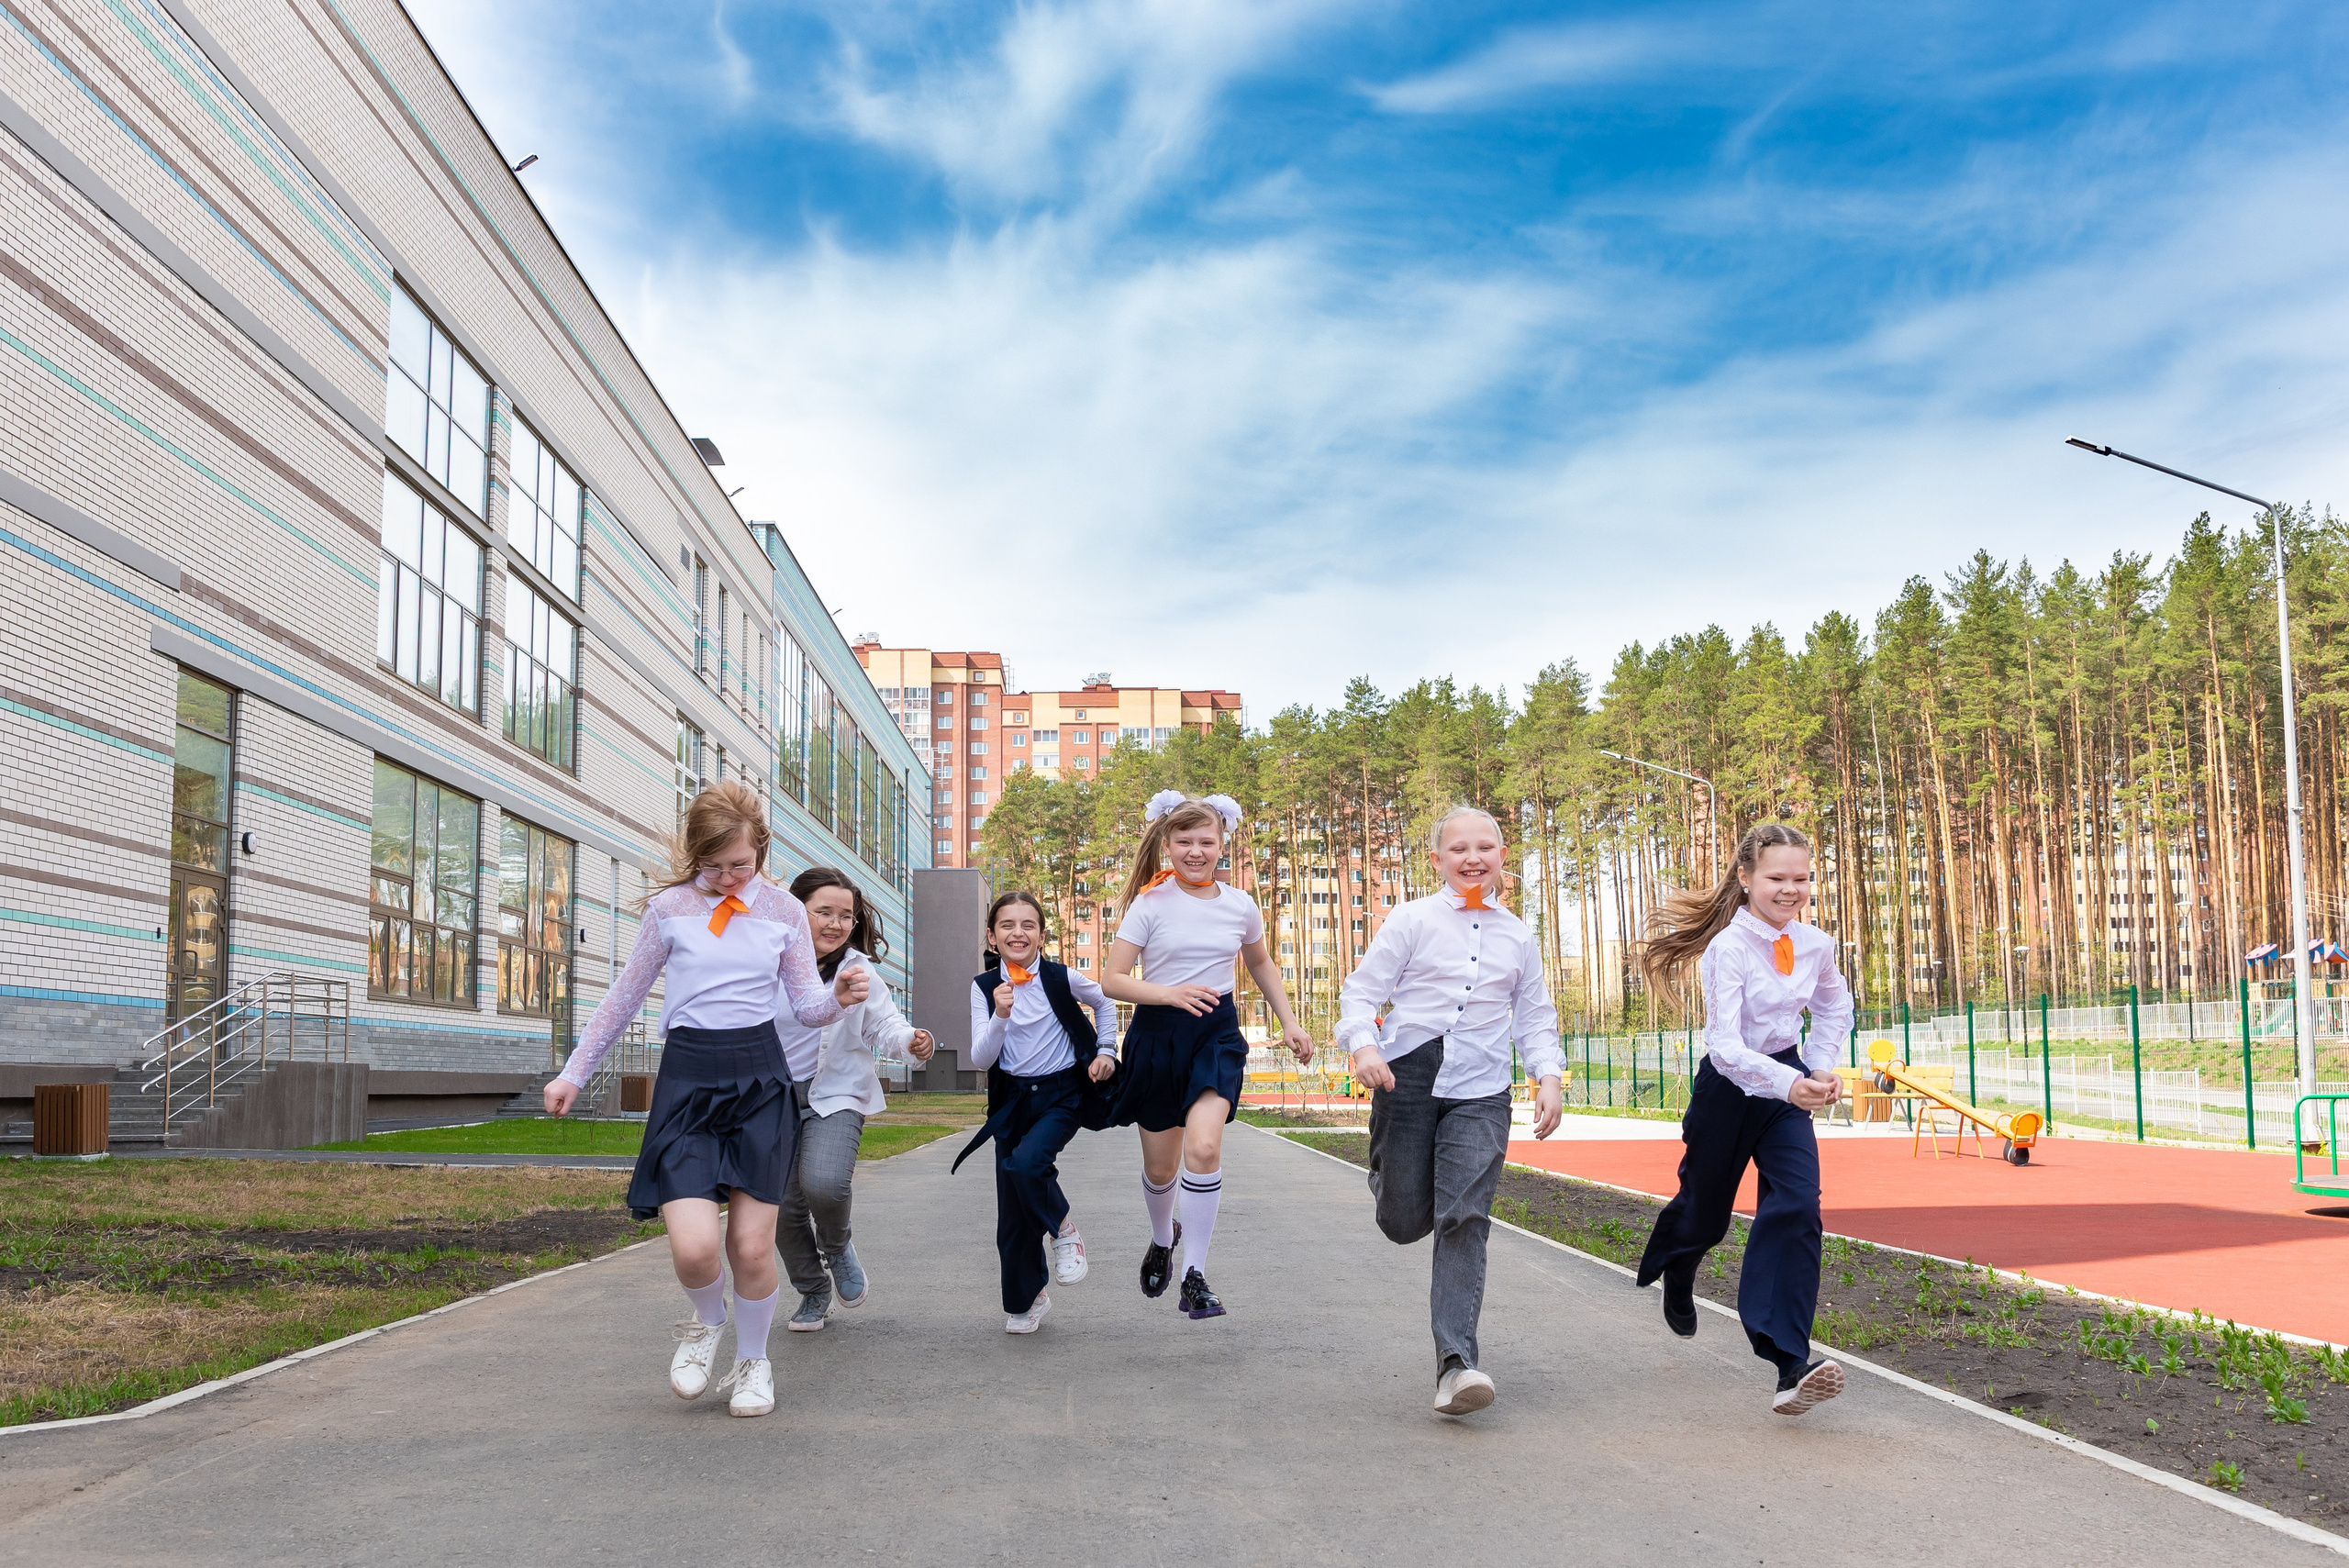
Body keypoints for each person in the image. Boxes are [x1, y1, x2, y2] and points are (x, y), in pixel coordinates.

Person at [545, 782, 868, 1419]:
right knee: (693, 1248)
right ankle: (705, 1321)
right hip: (688, 1084)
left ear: (760, 851)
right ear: (696, 853)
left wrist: (840, 1000)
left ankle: (754, 1361)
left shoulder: (782, 911)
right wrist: (573, 1073)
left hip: (759, 1083)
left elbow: (805, 1005)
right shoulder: (670, 910)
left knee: (750, 1246)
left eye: (739, 865)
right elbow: (623, 998)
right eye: (712, 865)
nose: (725, 878)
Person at [1338, 805, 1564, 1417]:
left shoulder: (1518, 934)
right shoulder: (1411, 920)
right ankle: (1390, 1178)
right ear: (1436, 860)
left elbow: (1536, 1015)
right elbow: (1360, 990)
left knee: (1465, 1215)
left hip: (1483, 1087)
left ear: (1501, 858)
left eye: (1485, 847)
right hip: (1406, 1075)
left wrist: (1549, 1076)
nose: (1472, 857)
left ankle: (1455, 1364)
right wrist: (1363, 1046)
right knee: (1404, 1218)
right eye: (1458, 848)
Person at [1633, 822, 1853, 1417]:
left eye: (1801, 878)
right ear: (1747, 878)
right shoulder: (1729, 948)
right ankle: (1678, 1269)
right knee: (1705, 1215)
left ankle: (1790, 1362)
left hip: (1787, 1085)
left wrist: (1820, 1066)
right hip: (1729, 1087)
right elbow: (1726, 1047)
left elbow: (1836, 1007)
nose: (1790, 889)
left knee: (1798, 1205)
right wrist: (1791, 1081)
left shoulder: (1817, 945)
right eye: (1777, 877)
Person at [1101, 790, 1312, 1319]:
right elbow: (1111, 980)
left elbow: (1261, 964)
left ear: (1224, 845)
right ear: (1166, 843)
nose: (1195, 851)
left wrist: (1289, 1022)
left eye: (1206, 841)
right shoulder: (1149, 904)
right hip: (1156, 1036)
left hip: (1215, 1034)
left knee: (1205, 1147)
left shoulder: (1240, 905)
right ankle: (1162, 1236)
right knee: (1160, 1166)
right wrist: (1169, 993)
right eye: (1184, 841)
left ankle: (1194, 1273)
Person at [773, 866, 935, 1333]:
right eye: (823, 911)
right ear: (794, 911)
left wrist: (912, 1042)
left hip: (836, 1092)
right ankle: (812, 1290)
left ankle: (837, 1245)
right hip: (772, 1099)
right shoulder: (768, 963)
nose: (835, 924)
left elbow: (884, 1025)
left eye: (845, 915)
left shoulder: (858, 971)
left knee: (824, 1184)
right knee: (782, 1210)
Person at [951, 891, 1120, 1333]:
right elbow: (983, 1058)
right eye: (1007, 925)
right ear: (992, 936)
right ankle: (1029, 1298)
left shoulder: (1063, 978)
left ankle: (1064, 1230)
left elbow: (1105, 1003)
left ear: (1042, 935)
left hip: (1063, 1094)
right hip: (1011, 1100)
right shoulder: (984, 987)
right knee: (1011, 1212)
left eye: (1028, 925)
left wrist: (1106, 1050)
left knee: (1028, 1164)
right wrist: (1000, 1015)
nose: (1017, 932)